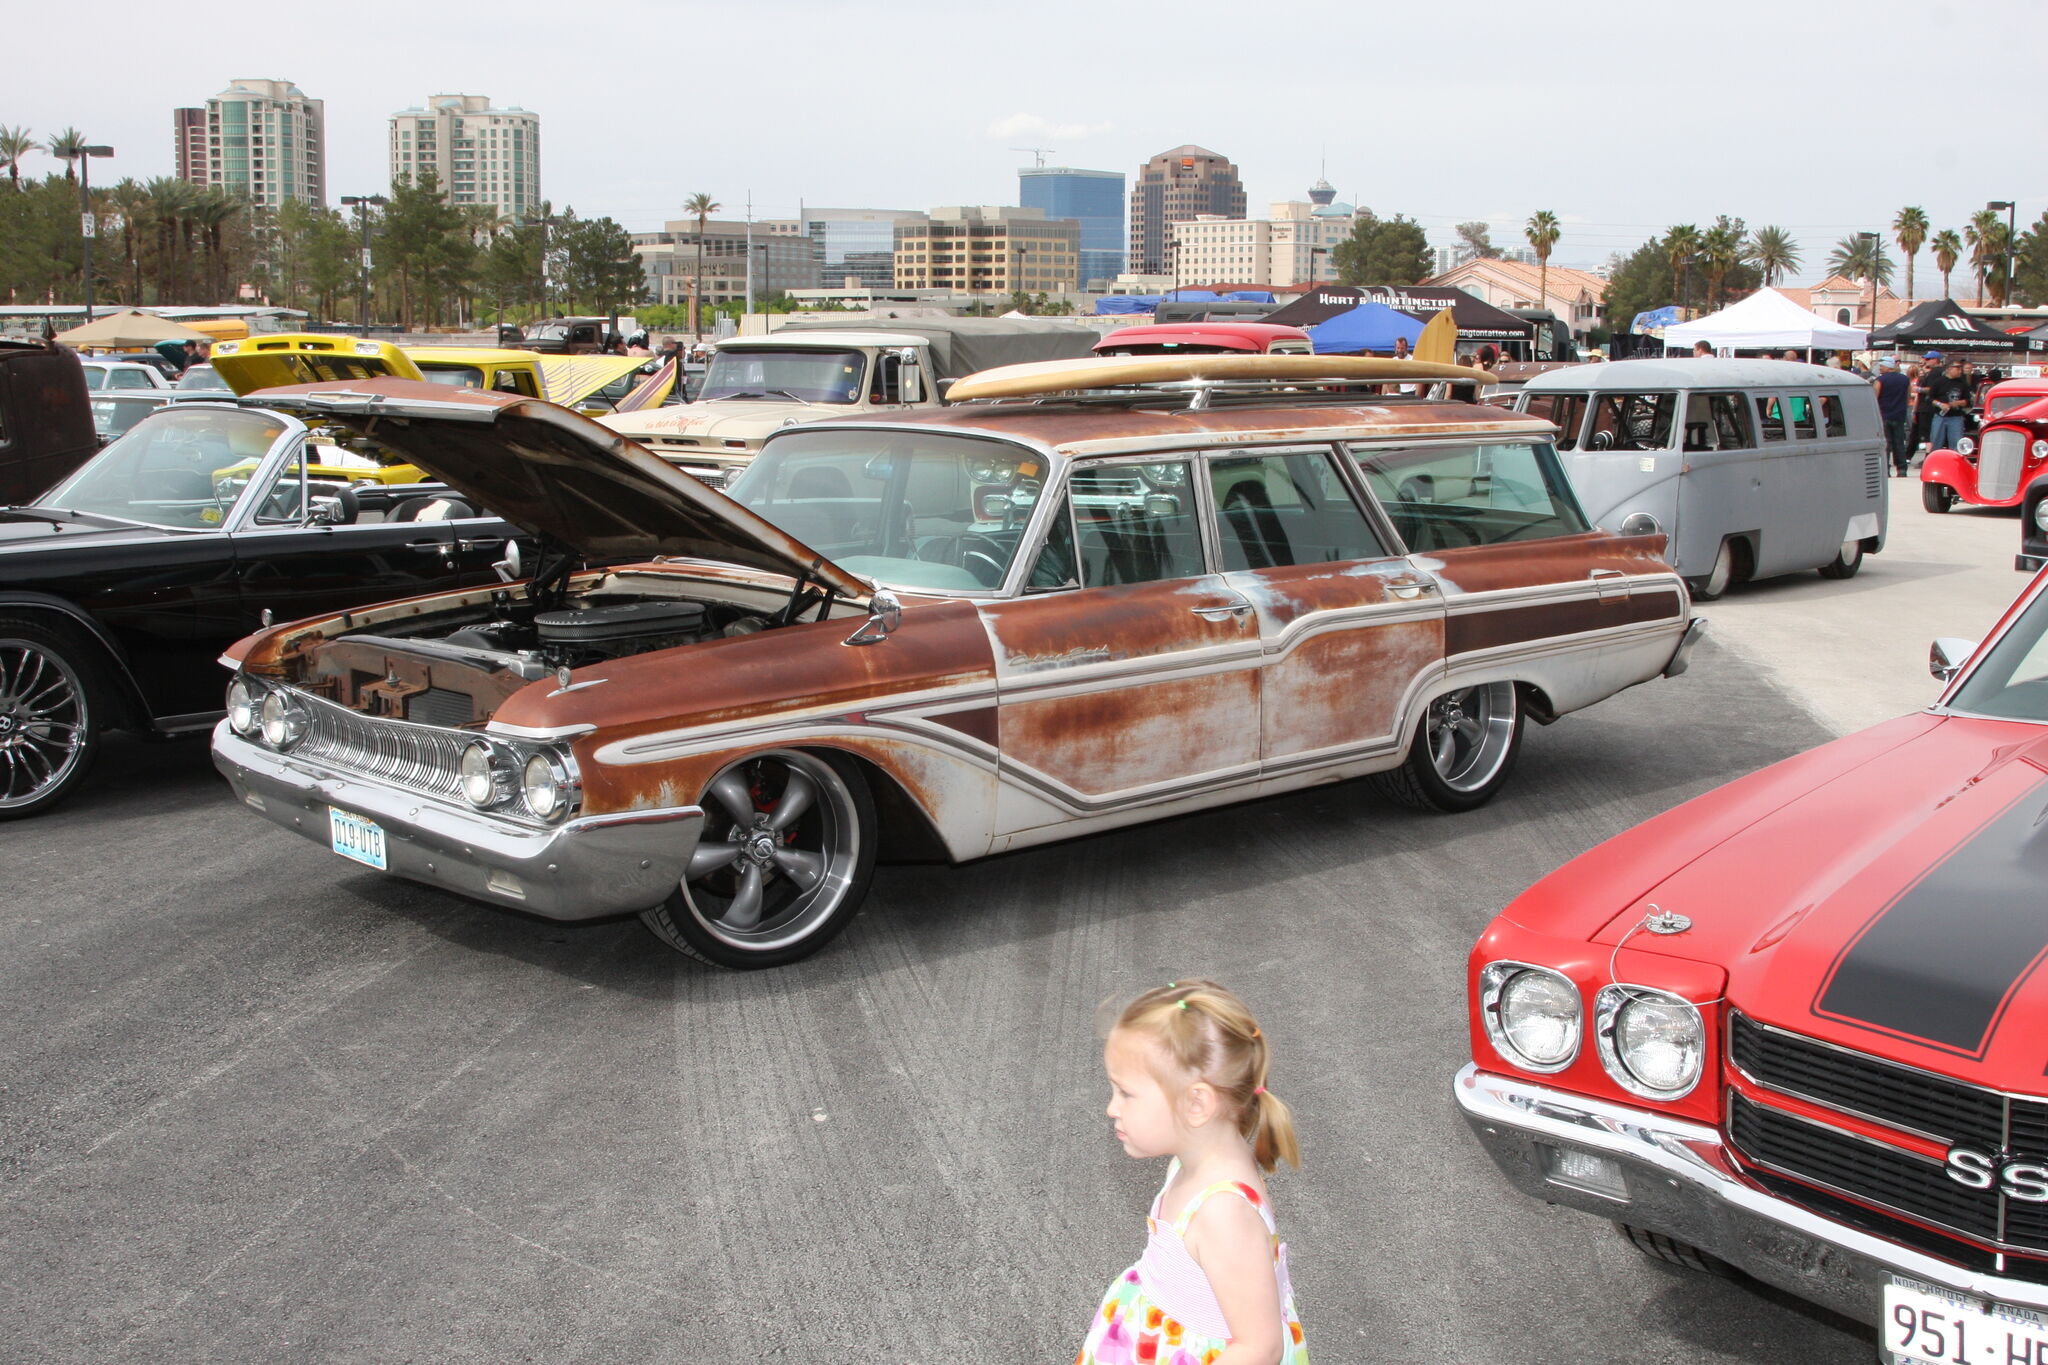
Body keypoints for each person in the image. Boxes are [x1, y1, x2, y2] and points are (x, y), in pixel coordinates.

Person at [1078, 980, 1308, 1365]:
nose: (1111, 1108)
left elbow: (1260, 1347)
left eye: (1126, 1093)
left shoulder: (1223, 1213)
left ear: (1196, 1103)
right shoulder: (1189, 1164)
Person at [1873, 356, 1913, 475]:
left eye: (1882, 366)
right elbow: (1908, 396)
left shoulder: (1880, 380)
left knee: (1886, 444)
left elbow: (1875, 397)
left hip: (1884, 414)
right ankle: (1902, 469)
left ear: (1888, 367)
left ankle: (1885, 469)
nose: (1880, 368)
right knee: (1899, 443)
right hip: (1899, 414)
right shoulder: (1905, 379)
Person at [1927, 360, 1974, 453]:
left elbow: (1968, 401)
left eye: (1961, 369)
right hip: (1940, 416)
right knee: (1936, 442)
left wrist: (1959, 403)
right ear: (1949, 369)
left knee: (1956, 444)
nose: (1960, 371)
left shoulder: (1963, 383)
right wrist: (1940, 404)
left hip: (1956, 417)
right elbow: (1929, 398)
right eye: (1957, 368)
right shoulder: (1938, 382)